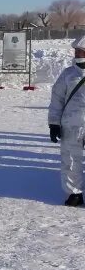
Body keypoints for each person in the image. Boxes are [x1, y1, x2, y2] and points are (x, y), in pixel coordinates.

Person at [48, 36, 85, 206]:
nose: (77, 53)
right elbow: (57, 99)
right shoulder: (68, 74)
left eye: (81, 51)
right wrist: (54, 123)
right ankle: (74, 193)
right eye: (76, 51)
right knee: (70, 160)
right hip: (71, 125)